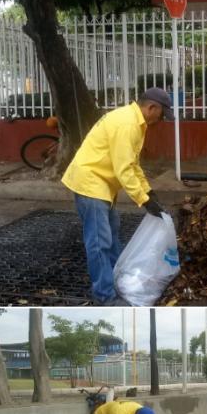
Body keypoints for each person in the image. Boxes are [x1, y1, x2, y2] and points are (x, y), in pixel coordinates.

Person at [61, 88, 171, 305]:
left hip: (101, 184)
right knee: (99, 242)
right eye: (161, 115)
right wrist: (143, 200)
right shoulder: (128, 125)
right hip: (91, 183)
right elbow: (124, 170)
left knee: (111, 233)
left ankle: (119, 280)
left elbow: (133, 164)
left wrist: (148, 192)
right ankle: (104, 296)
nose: (161, 120)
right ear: (152, 108)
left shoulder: (135, 122)